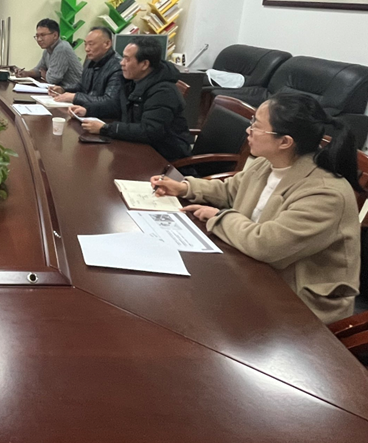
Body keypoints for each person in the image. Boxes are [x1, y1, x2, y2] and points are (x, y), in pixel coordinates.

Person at [151, 93, 362, 324]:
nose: (248, 130)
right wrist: (184, 187)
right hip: (252, 269)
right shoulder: (268, 163)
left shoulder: (325, 193)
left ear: (285, 142)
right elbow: (230, 190)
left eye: (256, 126)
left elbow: (267, 245)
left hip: (298, 303)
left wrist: (220, 217)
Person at [71, 36, 192, 162]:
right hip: (137, 148)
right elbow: (116, 107)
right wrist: (88, 110)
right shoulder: (133, 81)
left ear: (144, 64)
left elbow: (149, 131)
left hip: (163, 158)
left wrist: (105, 128)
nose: (121, 63)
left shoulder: (163, 92)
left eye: (127, 59)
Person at [49, 26, 122, 108]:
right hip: (85, 109)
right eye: (85, 44)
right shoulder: (90, 60)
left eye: (91, 44)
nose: (87, 49)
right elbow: (82, 86)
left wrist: (75, 97)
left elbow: (110, 102)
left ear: (107, 44)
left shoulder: (118, 67)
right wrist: (63, 89)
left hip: (102, 114)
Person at [14, 18, 83, 91]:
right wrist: (25, 73)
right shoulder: (47, 50)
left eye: (43, 35)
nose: (39, 39)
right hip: (61, 90)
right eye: (37, 36)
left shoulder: (62, 48)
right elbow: (38, 70)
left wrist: (44, 74)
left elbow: (53, 79)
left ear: (55, 35)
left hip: (76, 92)